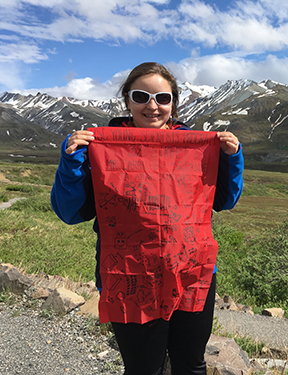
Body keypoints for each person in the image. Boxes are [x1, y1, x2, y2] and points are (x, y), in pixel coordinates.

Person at [51, 62, 244, 375]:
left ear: (174, 103)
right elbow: (70, 212)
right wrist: (72, 163)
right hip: (130, 273)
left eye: (162, 98)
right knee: (144, 369)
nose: (152, 106)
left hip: (190, 272)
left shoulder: (194, 147)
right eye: (141, 96)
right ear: (127, 100)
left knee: (191, 365)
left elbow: (223, 200)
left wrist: (231, 159)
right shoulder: (99, 147)